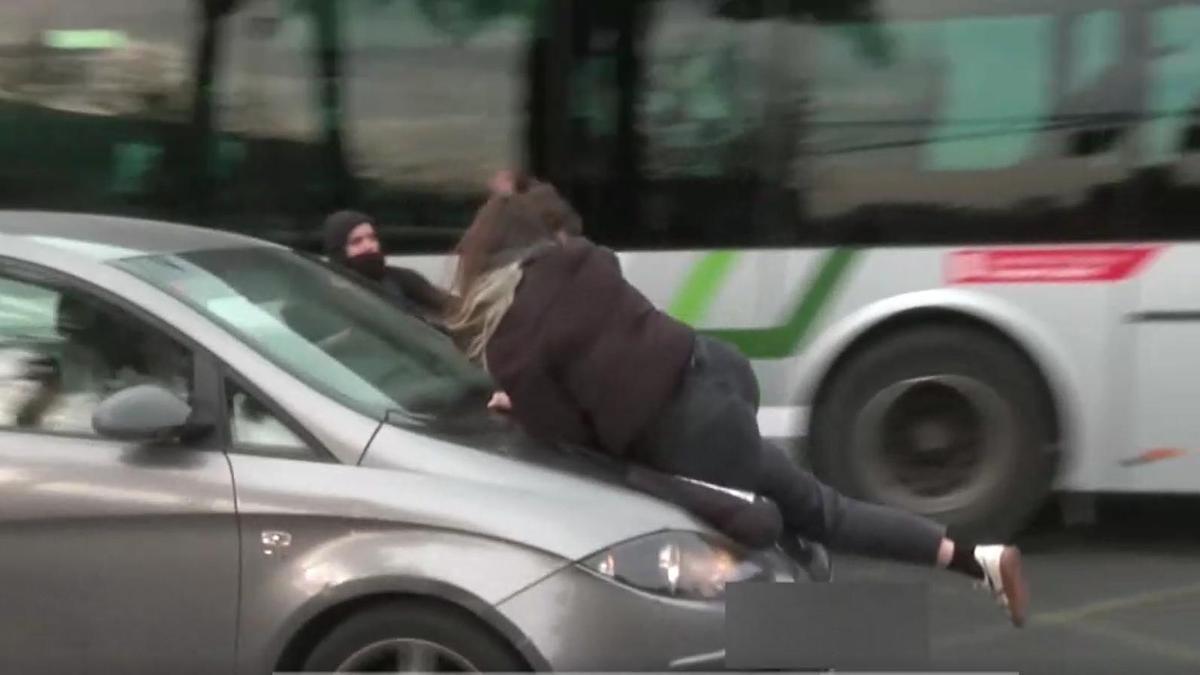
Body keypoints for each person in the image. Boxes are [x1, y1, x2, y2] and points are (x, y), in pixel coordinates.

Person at [444, 187, 1031, 628]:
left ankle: (853, 636)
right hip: (716, 371)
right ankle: (975, 558)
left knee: (767, 542)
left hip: (684, 434)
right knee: (805, 516)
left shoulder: (511, 344)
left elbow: (566, 436)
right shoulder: (587, 262)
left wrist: (518, 406)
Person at [322, 210, 454, 324]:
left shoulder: (400, 278)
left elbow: (452, 307)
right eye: (356, 242)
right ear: (339, 251)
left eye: (372, 238)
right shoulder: (329, 296)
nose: (369, 246)